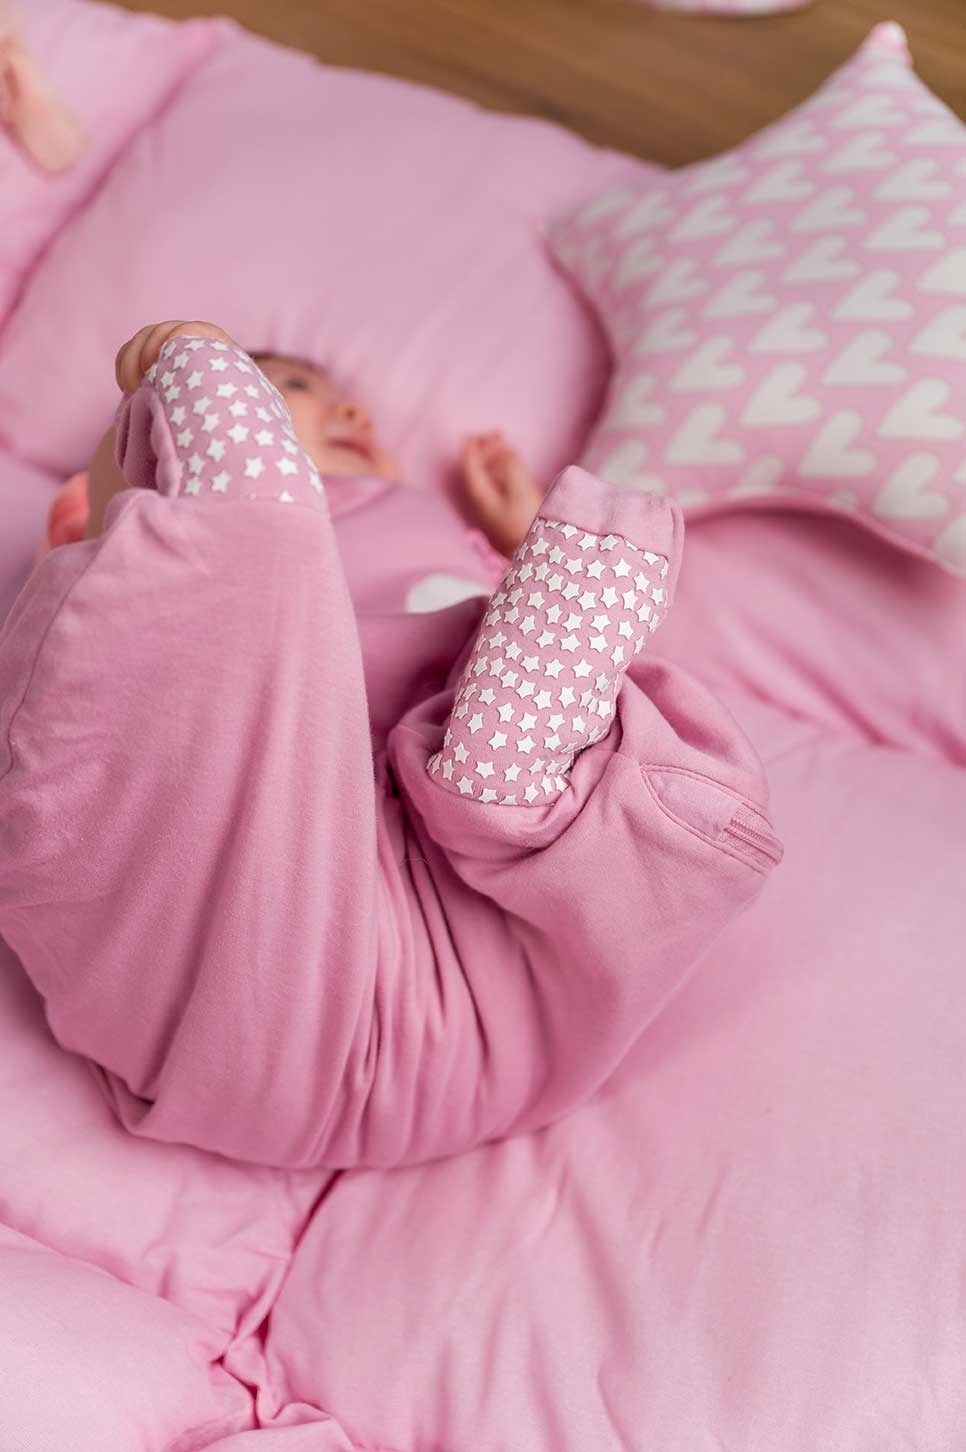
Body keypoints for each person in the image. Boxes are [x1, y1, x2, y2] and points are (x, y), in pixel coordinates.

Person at [0, 318, 783, 1170]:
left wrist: (514, 537)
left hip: (470, 961)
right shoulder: (204, 528)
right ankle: (503, 778)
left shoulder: (449, 530)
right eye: (294, 390)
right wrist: (137, 458)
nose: (351, 413)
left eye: (348, 404)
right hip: (284, 928)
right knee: (178, 672)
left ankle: (506, 780)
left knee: (617, 756)